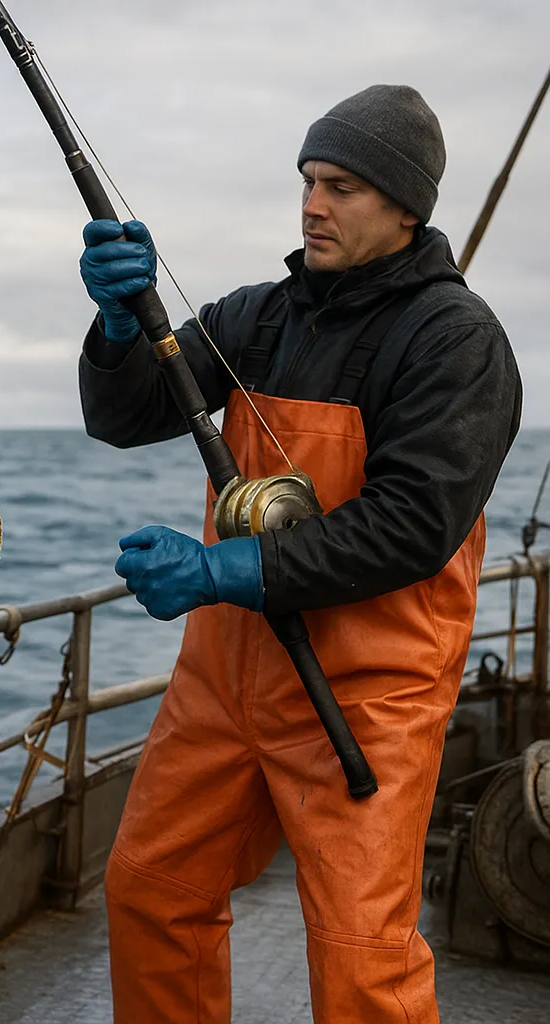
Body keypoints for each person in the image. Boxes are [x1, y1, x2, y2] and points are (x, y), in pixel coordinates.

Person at [77, 84, 523, 1022]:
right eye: (310, 181)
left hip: (370, 690)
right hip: (224, 681)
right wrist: (121, 329)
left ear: (407, 207)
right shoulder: (252, 319)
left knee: (363, 959)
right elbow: (124, 417)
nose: (314, 203)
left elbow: (412, 524)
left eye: (344, 187)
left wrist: (215, 572)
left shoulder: (458, 343)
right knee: (152, 892)